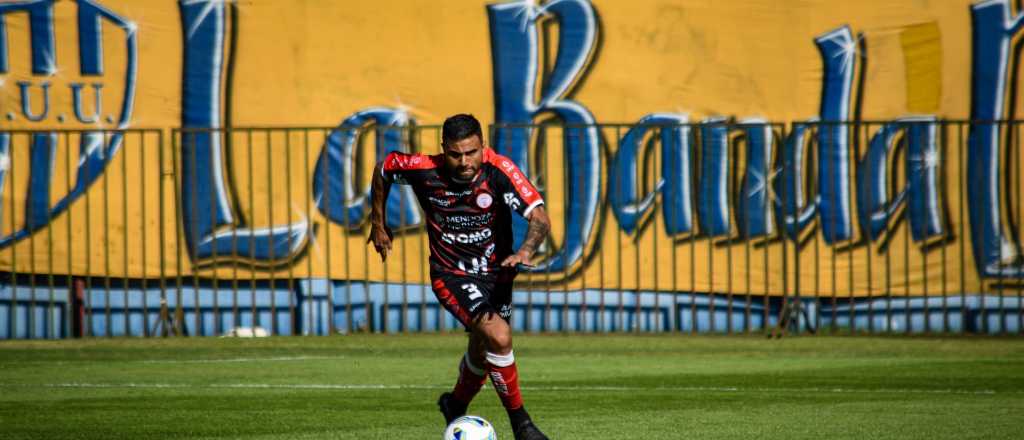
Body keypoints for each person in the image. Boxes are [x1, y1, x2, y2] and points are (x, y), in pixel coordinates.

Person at [368, 114, 551, 440]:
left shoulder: (500, 170)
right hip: (451, 273)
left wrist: (526, 251)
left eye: (472, 152)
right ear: (444, 149)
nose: (465, 162)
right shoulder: (423, 169)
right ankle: (521, 424)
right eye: (456, 154)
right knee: (499, 335)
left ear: (483, 146)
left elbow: (539, 217)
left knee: (483, 349)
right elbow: (384, 169)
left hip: (497, 276)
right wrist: (378, 223)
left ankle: (455, 404)